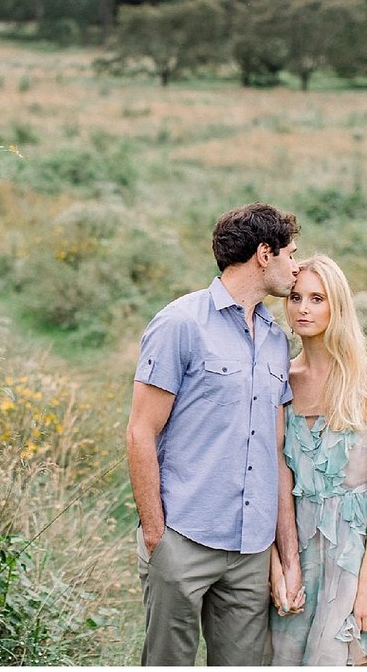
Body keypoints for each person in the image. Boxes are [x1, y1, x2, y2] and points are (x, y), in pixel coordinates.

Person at [126, 202, 304, 666]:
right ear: (264, 254)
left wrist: (283, 555)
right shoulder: (180, 323)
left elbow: (275, 452)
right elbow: (140, 433)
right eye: (290, 253)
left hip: (250, 552)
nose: (296, 266)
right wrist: (155, 535)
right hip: (184, 537)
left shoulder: (276, 340)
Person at [268, 255, 367, 665]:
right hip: (301, 543)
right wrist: (279, 565)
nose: (303, 309)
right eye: (296, 297)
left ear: (337, 306)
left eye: (317, 298)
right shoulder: (281, 379)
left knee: (352, 656)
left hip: (358, 549)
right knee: (290, 656)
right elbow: (275, 477)